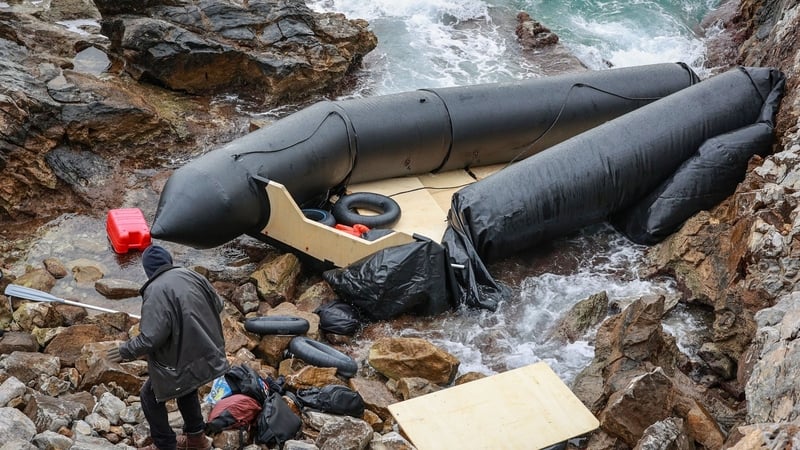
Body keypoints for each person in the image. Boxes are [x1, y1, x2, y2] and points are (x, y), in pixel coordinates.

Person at [106, 245, 229, 450]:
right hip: (209, 353)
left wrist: (123, 350)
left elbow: (150, 339)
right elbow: (218, 305)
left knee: (150, 397)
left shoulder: (155, 290)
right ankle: (197, 439)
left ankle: (165, 445)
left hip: (181, 361)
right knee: (186, 388)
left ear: (148, 270)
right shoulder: (193, 275)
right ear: (168, 261)